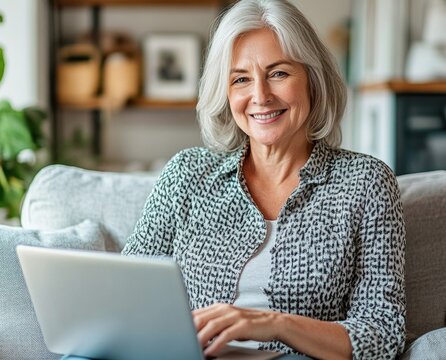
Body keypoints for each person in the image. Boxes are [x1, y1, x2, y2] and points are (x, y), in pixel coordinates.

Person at [122, 0, 406, 359]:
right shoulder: (187, 174)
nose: (260, 96)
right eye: (241, 79)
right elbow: (126, 294)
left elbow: (383, 332)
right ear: (225, 92)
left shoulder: (366, 183)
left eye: (278, 73)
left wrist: (275, 323)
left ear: (313, 81)